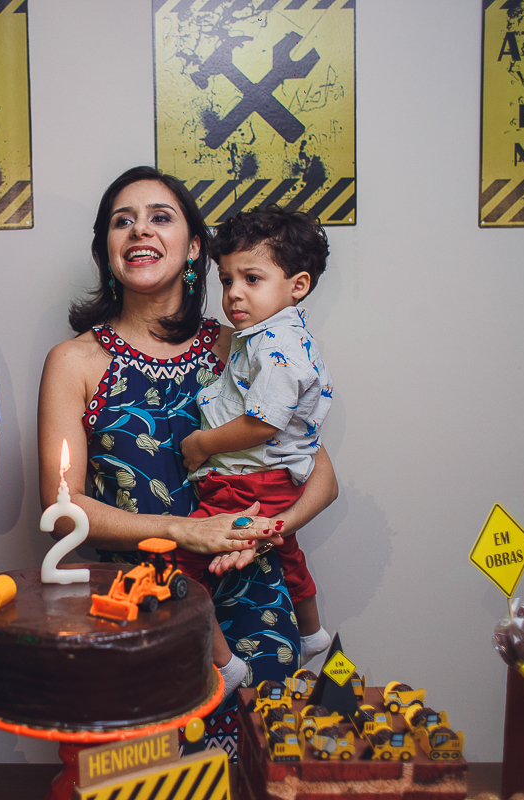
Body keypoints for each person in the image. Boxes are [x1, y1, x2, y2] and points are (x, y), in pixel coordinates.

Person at [38, 166, 338, 753]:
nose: (139, 231)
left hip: (251, 599)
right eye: (122, 221)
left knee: (259, 773)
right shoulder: (73, 361)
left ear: (195, 246)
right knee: (147, 781)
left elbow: (319, 474)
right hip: (138, 610)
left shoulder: (242, 345)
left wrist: (269, 529)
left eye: (160, 217)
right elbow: (62, 508)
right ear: (106, 248)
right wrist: (184, 530)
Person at [179, 206, 335, 671]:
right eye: (226, 280)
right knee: (289, 553)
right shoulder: (269, 336)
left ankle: (224, 667)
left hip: (251, 483)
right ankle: (313, 633)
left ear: (298, 285)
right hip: (271, 480)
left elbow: (263, 422)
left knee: (184, 574)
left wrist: (202, 444)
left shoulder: (277, 348)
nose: (233, 294)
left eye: (251, 278)